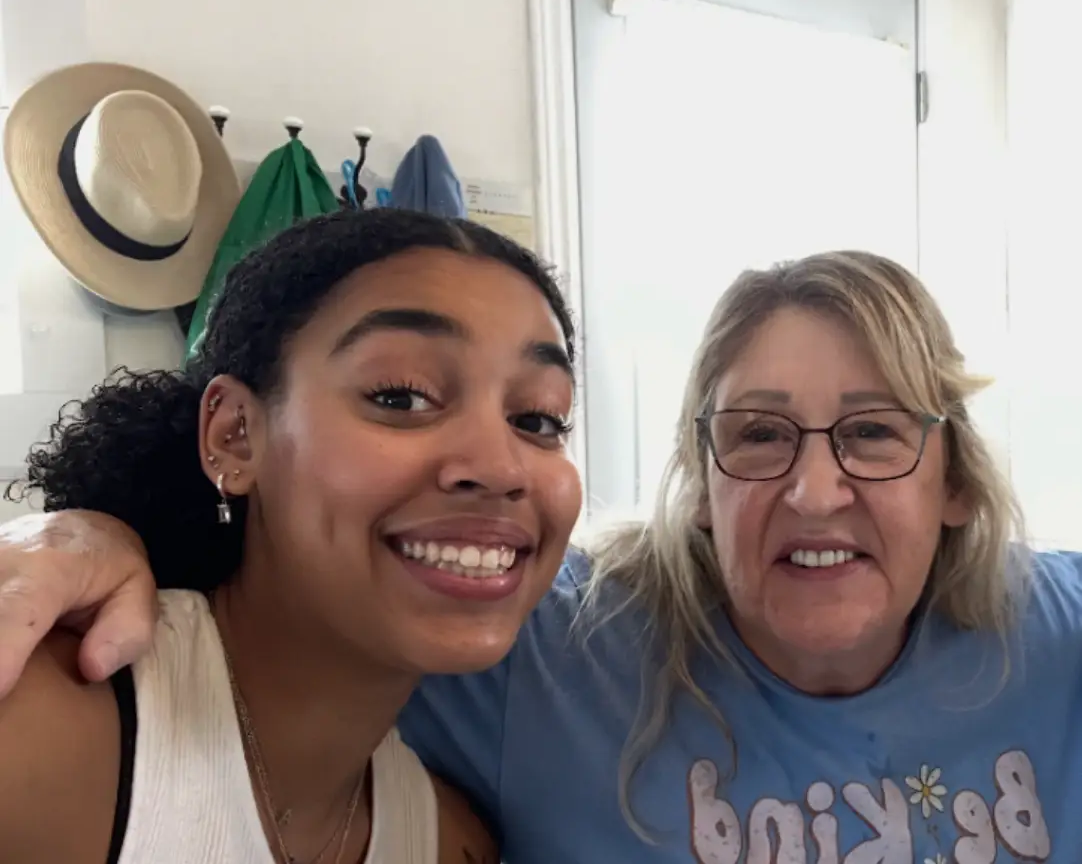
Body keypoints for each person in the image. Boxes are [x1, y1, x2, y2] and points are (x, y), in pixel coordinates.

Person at [2, 250, 1081, 863]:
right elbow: (296, 620)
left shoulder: (1055, 633)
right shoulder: (553, 643)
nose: (812, 487)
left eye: (874, 431)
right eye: (755, 433)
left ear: (953, 482)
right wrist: (107, 527)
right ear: (697, 488)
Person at [0, 207, 582, 863]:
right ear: (236, 436)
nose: (502, 467)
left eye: (538, 417)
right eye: (400, 396)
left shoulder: (448, 841)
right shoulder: (41, 738)